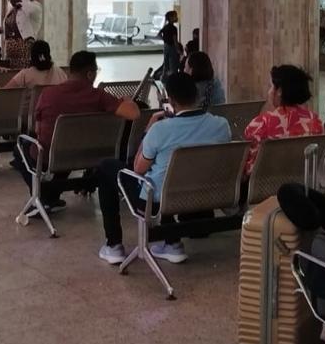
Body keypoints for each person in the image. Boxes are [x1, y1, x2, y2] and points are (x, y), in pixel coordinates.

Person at [95, 72, 231, 265]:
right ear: (196, 96)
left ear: (170, 99)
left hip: (158, 201)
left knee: (106, 168)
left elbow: (138, 168)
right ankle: (172, 243)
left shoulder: (160, 129)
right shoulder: (221, 125)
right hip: (203, 195)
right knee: (167, 174)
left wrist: (147, 131)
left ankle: (114, 245)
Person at [22, 50, 141, 210]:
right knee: (69, 143)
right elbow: (133, 113)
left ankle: (42, 195)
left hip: (52, 156)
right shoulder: (98, 96)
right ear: (90, 74)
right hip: (87, 153)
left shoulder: (48, 94)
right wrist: (129, 101)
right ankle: (50, 196)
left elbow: (37, 129)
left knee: (22, 148)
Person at [241, 64, 324, 176]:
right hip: (304, 189)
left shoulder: (261, 123)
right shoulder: (315, 121)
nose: (269, 92)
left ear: (279, 91)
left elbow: (247, 169)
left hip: (264, 191)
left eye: (271, 86)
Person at [0, 40, 67, 90]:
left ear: (31, 56)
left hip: (29, 118)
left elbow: (2, 93)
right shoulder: (61, 73)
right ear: (48, 54)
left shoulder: (25, 75)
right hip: (55, 118)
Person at [0, 0, 42, 70]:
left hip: (24, 50)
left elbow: (30, 11)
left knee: (23, 75)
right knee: (12, 76)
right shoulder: (13, 9)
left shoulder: (33, 6)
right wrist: (3, 30)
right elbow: (16, 28)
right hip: (10, 52)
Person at [157, 10, 181, 78]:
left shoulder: (165, 27)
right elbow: (175, 40)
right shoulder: (174, 28)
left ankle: (164, 79)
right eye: (175, 16)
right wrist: (178, 50)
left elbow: (159, 34)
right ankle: (173, 80)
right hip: (172, 47)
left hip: (166, 46)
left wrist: (164, 40)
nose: (176, 17)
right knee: (173, 65)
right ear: (171, 18)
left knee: (166, 64)